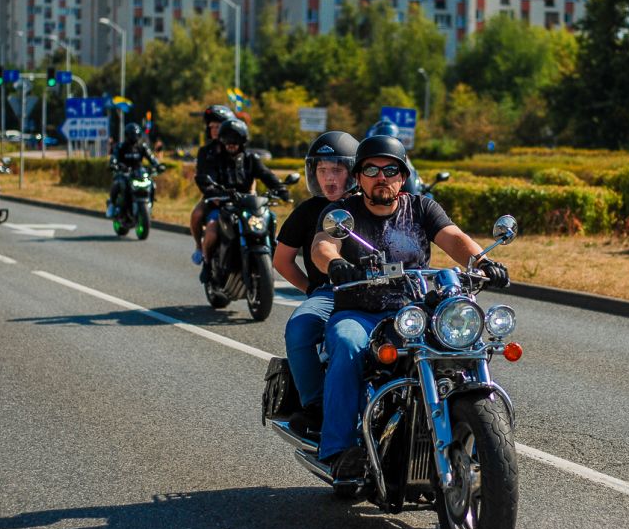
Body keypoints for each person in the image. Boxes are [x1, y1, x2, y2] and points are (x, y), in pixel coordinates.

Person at [310, 135, 510, 479]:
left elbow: (453, 238)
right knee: (345, 344)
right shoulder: (344, 214)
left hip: (416, 313)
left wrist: (481, 261)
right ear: (359, 177)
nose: (381, 176)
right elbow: (322, 245)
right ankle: (340, 451)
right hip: (361, 313)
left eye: (391, 169)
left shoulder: (421, 208)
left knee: (467, 346)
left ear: (402, 177)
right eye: (371, 169)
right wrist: (335, 263)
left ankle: (479, 437)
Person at [273, 131, 359, 434]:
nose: (329, 178)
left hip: (379, 291)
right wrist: (311, 289)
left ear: (352, 171)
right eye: (322, 170)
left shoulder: (368, 205)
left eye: (336, 169)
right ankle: (317, 407)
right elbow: (281, 260)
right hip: (329, 293)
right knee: (299, 329)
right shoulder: (308, 211)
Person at [195, 118, 287, 283]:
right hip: (222, 204)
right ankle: (207, 264)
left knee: (270, 218)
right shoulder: (214, 158)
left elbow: (266, 174)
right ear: (221, 140)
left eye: (235, 139)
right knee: (212, 228)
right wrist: (212, 191)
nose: (231, 143)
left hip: (247, 204)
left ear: (243, 141)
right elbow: (207, 178)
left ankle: (271, 253)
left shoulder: (250, 159)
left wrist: (281, 189)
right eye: (227, 139)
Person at [189, 105, 236, 265]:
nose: (215, 130)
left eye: (218, 126)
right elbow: (201, 177)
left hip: (238, 199)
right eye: (212, 127)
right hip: (213, 197)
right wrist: (212, 194)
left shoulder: (236, 148)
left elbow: (252, 173)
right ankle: (199, 248)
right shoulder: (205, 151)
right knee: (196, 215)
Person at [106, 123, 164, 218]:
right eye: (132, 135)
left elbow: (151, 157)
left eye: (136, 135)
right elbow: (114, 157)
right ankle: (112, 205)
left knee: (152, 184)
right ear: (127, 135)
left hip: (139, 173)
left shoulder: (142, 147)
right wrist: (114, 164)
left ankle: (149, 205)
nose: (134, 137)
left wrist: (157, 165)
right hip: (124, 173)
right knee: (118, 183)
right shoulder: (120, 147)